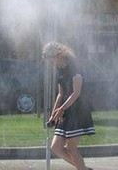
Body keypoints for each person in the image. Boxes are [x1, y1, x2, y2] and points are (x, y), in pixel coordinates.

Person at [42, 42, 95, 170]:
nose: (51, 63)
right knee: (55, 147)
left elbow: (76, 93)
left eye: (51, 59)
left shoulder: (75, 67)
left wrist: (61, 109)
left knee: (71, 147)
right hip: (65, 110)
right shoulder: (58, 69)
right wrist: (53, 114)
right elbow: (61, 94)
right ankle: (84, 169)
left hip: (78, 111)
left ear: (58, 54)